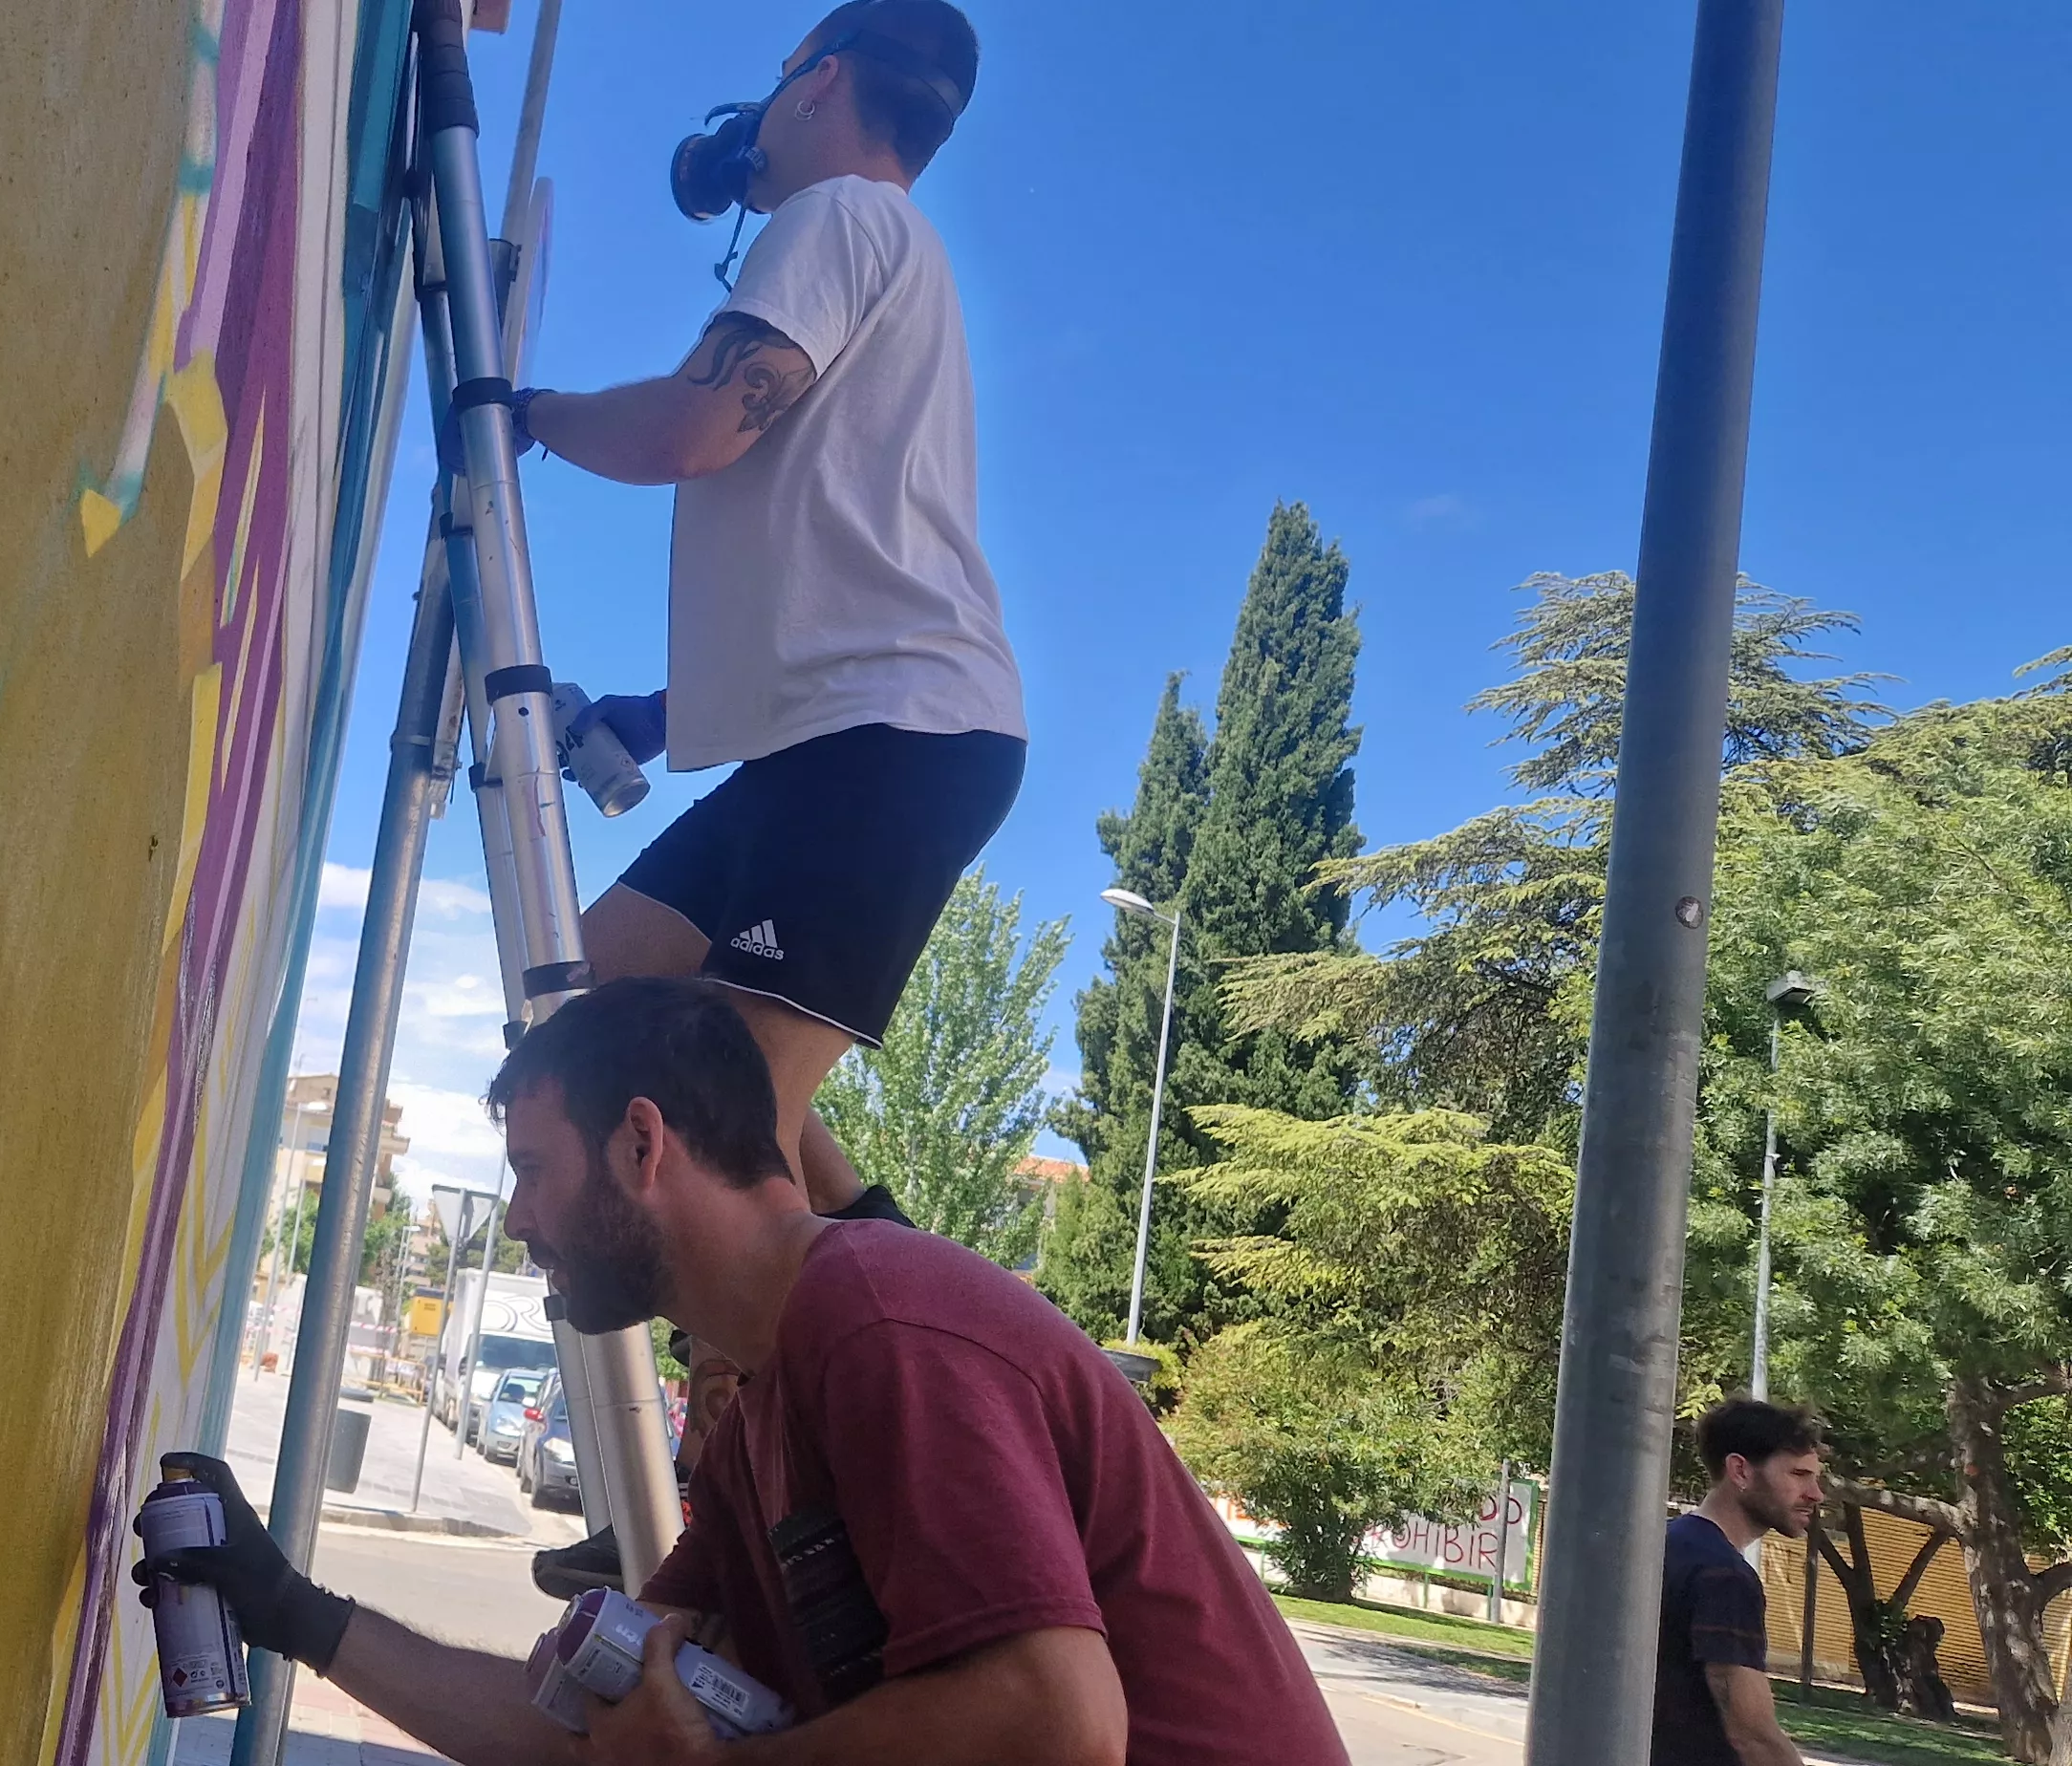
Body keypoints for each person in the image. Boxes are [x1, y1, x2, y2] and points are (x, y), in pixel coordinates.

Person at [141, 980, 1339, 1763]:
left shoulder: (883, 1322)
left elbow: (1056, 1719)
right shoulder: (759, 1420)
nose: (514, 1219)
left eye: (531, 1168)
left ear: (642, 1142)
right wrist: (289, 1610)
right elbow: (583, 1737)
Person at [504, 0, 1025, 1214]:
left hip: (894, 745)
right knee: (607, 994)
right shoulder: (899, 260)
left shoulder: (837, 216)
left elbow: (697, 425)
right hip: (857, 738)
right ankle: (875, 1256)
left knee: (732, 1133)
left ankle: (807, 1388)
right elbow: (835, 582)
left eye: (782, 79)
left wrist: (520, 411)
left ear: (817, 81)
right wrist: (659, 711)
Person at [1656, 1399, 1824, 1766]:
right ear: (1740, 1471)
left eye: (1815, 1477)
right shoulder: (1725, 1575)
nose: (1815, 1493)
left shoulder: (1665, 1543)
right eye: (1798, 1475)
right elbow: (1752, 1735)